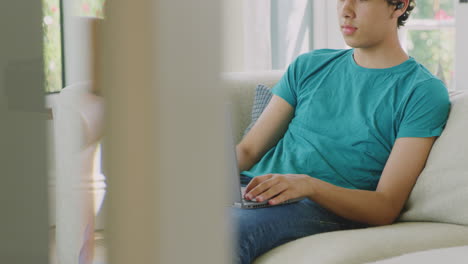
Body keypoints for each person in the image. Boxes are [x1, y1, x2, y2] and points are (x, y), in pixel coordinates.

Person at [232, 0, 451, 263]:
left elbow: (386, 206)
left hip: (312, 205)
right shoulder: (309, 66)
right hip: (249, 188)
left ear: (398, 6)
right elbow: (248, 149)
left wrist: (307, 185)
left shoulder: (421, 91)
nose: (346, 10)